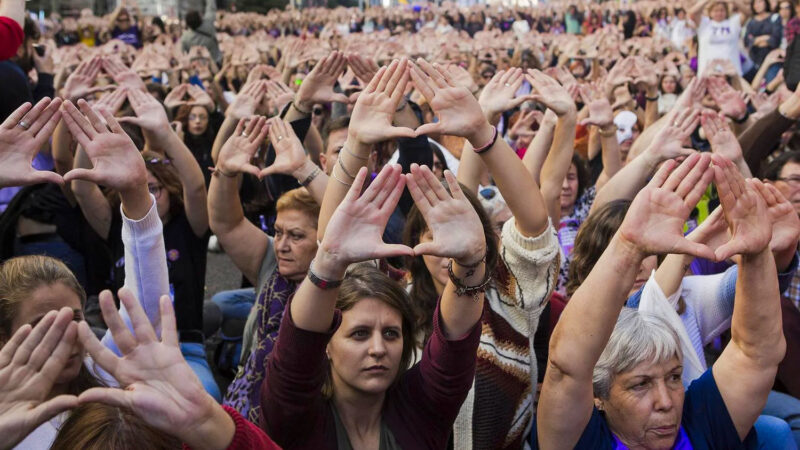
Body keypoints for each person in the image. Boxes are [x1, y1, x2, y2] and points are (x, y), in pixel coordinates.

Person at [536, 153, 786, 448]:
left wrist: (758, 254)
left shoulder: (700, 425)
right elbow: (567, 367)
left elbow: (755, 353)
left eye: (674, 377)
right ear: (598, 397)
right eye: (640, 384)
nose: (666, 402)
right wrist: (628, 247)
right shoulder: (585, 442)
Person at [261, 161, 486, 449]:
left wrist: (471, 261)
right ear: (326, 344)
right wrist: (328, 262)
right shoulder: (294, 415)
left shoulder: (422, 408)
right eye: (360, 334)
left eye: (391, 333)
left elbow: (455, 345)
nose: (378, 349)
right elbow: (297, 346)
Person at [70, 88, 219, 401]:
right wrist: (88, 134)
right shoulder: (115, 222)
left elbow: (195, 185)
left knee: (207, 395)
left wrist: (163, 132)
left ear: (169, 189)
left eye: (155, 188)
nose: (148, 196)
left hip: (183, 347)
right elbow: (82, 189)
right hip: (123, 345)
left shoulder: (189, 226)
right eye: (140, 187)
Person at [691, 0, 748, 76]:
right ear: (710, 12)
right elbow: (692, 13)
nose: (719, 13)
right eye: (715, 10)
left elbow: (747, 13)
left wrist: (733, 1)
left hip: (731, 72)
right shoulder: (704, 23)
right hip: (708, 72)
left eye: (722, 10)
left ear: (726, 12)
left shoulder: (733, 23)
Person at [181, 0, 221, 66]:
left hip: (195, 66)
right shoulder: (208, 23)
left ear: (187, 24)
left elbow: (183, 52)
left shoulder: (185, 37)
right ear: (200, 19)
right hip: (214, 61)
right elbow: (211, 8)